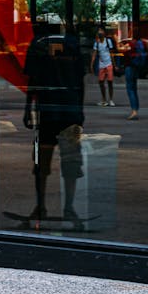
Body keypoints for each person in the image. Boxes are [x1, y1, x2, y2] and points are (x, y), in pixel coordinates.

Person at [23, 26, 85, 223]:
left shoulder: (37, 45)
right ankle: (69, 208)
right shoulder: (73, 45)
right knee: (71, 162)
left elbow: (32, 81)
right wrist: (80, 110)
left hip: (47, 112)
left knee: (41, 163)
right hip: (70, 111)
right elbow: (80, 81)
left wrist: (28, 109)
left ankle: (41, 206)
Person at [123, 32, 146, 119]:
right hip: (137, 67)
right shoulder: (141, 43)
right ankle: (136, 109)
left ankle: (134, 110)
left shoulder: (131, 44)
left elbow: (125, 53)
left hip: (130, 67)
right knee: (134, 88)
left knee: (130, 89)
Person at [91, 27, 116, 106]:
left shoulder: (108, 41)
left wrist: (114, 64)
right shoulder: (97, 43)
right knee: (101, 82)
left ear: (104, 33)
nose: (100, 32)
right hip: (101, 65)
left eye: (101, 31)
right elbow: (94, 54)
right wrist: (91, 64)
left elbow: (111, 53)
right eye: (99, 31)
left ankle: (111, 100)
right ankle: (104, 100)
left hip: (109, 64)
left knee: (110, 82)